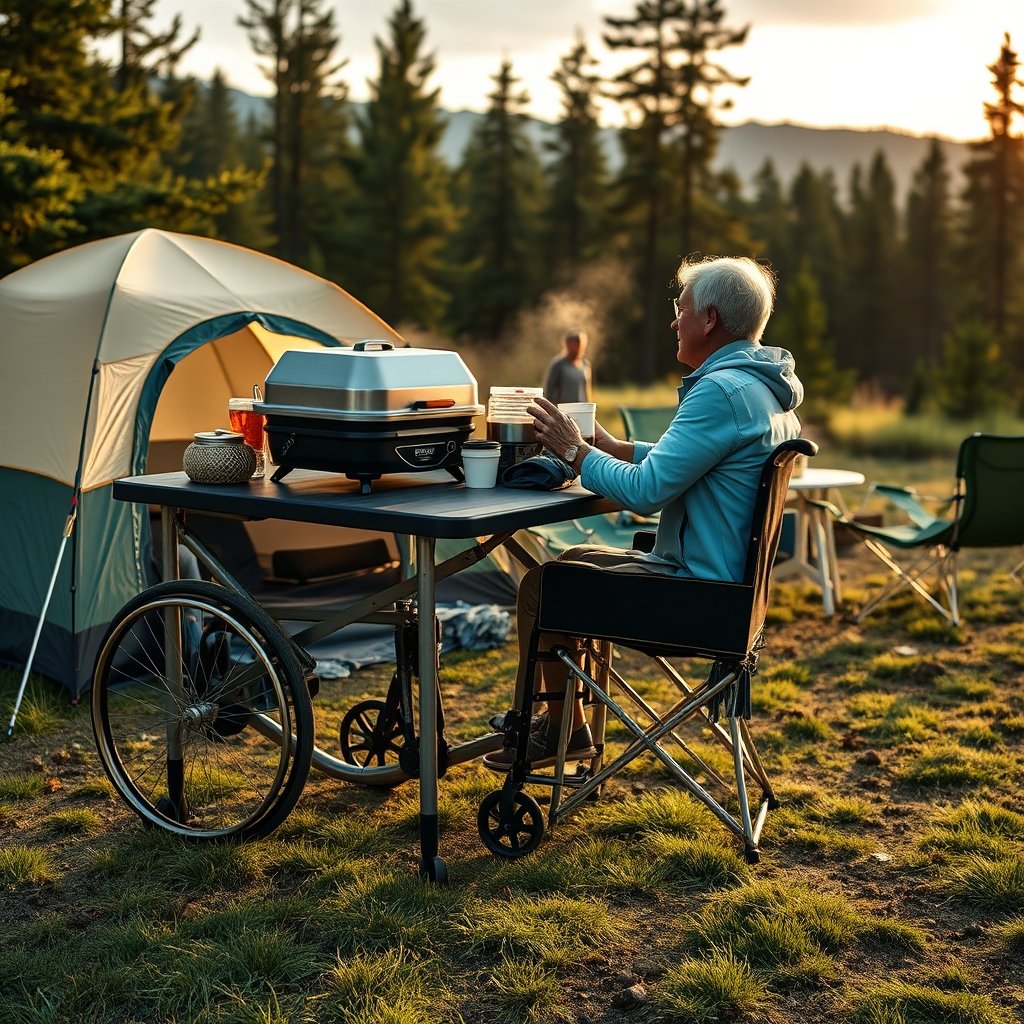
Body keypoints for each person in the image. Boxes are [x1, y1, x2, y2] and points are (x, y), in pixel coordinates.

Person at [485, 255, 803, 769]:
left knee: (543, 588)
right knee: (573, 560)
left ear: (710, 319)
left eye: (681, 309)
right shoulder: (760, 388)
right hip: (731, 592)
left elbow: (647, 492)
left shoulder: (720, 391)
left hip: (699, 596)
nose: (675, 322)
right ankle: (568, 725)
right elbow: (696, 462)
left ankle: (557, 731)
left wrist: (575, 452)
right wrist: (618, 448)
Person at [542, 328, 592, 405]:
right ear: (567, 344)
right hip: (563, 409)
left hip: (581, 409)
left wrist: (589, 406)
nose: (579, 348)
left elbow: (587, 390)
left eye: (581, 345)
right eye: (576, 345)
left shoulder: (585, 364)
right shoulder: (558, 364)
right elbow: (549, 391)